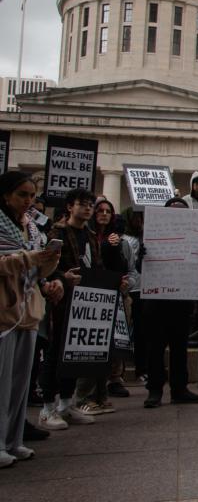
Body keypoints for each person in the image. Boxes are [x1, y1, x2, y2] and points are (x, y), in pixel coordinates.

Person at [0, 171, 62, 466]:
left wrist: (50, 266)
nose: (28, 201)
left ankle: (13, 440)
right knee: (1, 381)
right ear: (6, 195)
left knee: (20, 381)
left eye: (31, 196)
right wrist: (32, 259)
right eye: (22, 195)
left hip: (28, 310)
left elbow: (37, 272)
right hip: (4, 311)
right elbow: (7, 263)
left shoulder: (32, 228)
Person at [38, 188, 100, 428]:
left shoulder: (91, 236)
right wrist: (63, 277)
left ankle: (66, 403)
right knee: (53, 354)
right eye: (82, 204)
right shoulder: (57, 233)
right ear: (70, 207)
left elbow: (97, 267)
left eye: (90, 205)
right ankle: (47, 408)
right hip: (60, 302)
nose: (87, 209)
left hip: (84, 304)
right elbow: (44, 267)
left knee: (73, 354)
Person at [143, 196, 198, 408]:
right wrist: (141, 255)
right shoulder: (152, 235)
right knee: (156, 347)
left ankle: (179, 388)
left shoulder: (194, 236)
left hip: (182, 299)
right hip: (157, 300)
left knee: (180, 346)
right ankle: (154, 390)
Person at [74, 197, 130, 412]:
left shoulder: (116, 238)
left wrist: (113, 248)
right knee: (90, 348)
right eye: (100, 210)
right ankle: (83, 397)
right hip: (88, 297)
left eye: (108, 210)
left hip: (111, 294)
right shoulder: (85, 236)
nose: (104, 213)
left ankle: (100, 394)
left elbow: (120, 265)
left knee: (108, 348)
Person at [120, 207, 147, 382]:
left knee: (143, 333)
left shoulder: (144, 237)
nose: (140, 222)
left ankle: (142, 368)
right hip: (133, 290)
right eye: (137, 218)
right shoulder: (125, 241)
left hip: (147, 289)